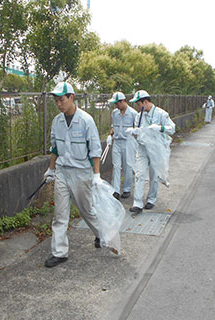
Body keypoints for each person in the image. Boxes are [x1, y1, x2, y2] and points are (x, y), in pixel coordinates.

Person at [43, 81, 103, 268]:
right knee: (60, 215)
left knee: (87, 211)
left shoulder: (86, 120)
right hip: (62, 171)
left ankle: (102, 234)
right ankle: (60, 252)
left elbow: (94, 150)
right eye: (56, 101)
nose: (59, 104)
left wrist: (96, 175)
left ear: (72, 98)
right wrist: (51, 169)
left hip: (81, 173)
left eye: (62, 100)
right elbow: (55, 147)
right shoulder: (57, 121)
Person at [128, 90, 175, 214]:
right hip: (142, 149)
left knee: (154, 175)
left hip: (156, 150)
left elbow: (173, 129)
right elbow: (138, 133)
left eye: (139, 104)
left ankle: (151, 199)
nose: (138, 107)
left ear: (146, 102)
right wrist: (135, 133)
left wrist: (161, 128)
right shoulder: (139, 116)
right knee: (139, 174)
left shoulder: (161, 114)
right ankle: (137, 203)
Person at [106, 92, 139, 200]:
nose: (116, 106)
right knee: (116, 166)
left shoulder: (133, 114)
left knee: (128, 166)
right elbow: (114, 126)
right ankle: (115, 190)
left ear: (123, 101)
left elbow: (137, 130)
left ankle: (127, 189)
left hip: (128, 142)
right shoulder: (115, 113)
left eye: (117, 103)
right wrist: (110, 135)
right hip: (117, 142)